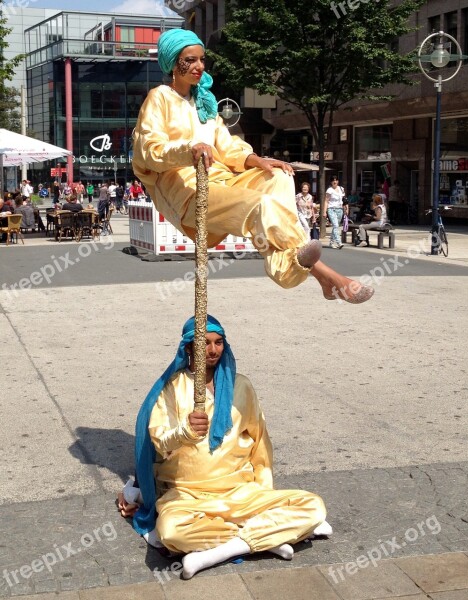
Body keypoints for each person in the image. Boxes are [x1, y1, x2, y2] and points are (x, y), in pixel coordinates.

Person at [132, 29, 372, 303]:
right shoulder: (159, 98)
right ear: (173, 63)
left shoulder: (205, 104)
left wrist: (257, 160)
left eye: (202, 59)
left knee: (278, 176)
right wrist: (189, 150)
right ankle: (325, 275)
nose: (199, 66)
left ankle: (297, 267)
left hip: (220, 179)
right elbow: (148, 150)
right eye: (190, 59)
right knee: (262, 206)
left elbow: (227, 145)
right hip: (185, 190)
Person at [119, 315, 331, 579]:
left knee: (313, 506)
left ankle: (218, 552)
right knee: (171, 531)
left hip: (240, 492)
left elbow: (260, 444)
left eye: (219, 342)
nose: (212, 350)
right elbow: (159, 443)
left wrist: (264, 497)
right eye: (204, 343)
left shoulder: (241, 386)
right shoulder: (171, 389)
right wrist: (185, 431)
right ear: (188, 348)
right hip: (189, 496)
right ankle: (268, 537)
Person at [323, 176, 345, 249]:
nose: (334, 182)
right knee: (335, 225)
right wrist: (324, 211)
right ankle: (339, 242)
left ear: (338, 181)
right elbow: (326, 201)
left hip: (340, 209)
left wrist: (346, 207)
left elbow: (344, 199)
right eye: (333, 181)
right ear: (331, 182)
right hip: (331, 209)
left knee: (336, 226)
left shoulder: (341, 189)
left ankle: (331, 242)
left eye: (336, 180)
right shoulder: (329, 190)